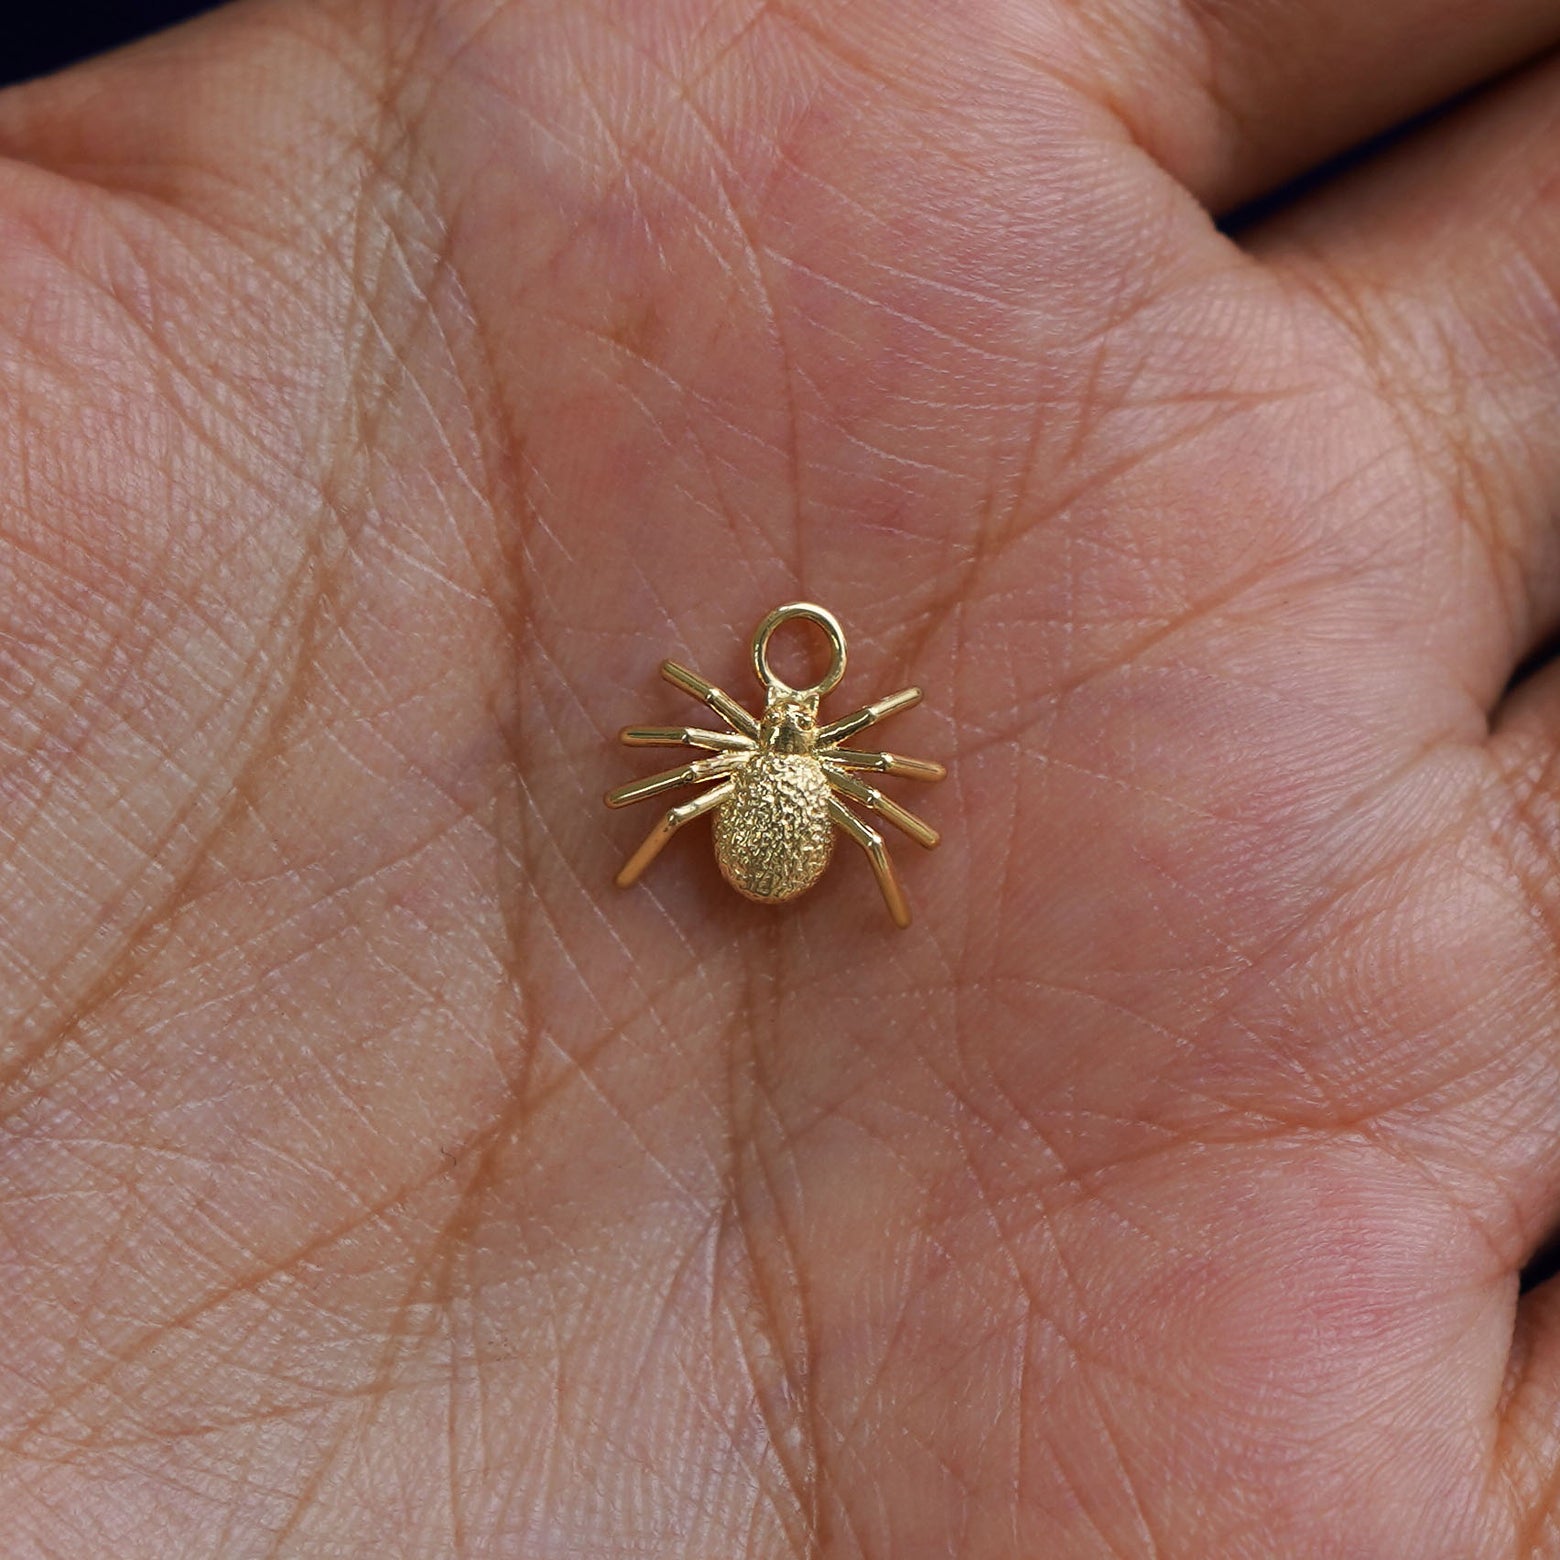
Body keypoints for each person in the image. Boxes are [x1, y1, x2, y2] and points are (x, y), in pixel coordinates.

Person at [0, 0, 1558, 1553]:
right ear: (800, 725)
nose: (802, 728)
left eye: (801, 722)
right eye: (797, 721)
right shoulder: (815, 753)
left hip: (768, 849)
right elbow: (820, 784)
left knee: (705, 808)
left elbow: (760, 772)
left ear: (793, 726)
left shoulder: (770, 750)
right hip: (784, 854)